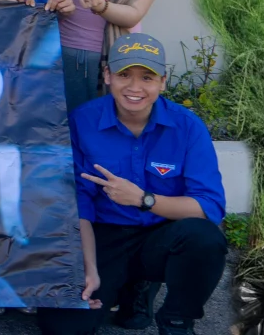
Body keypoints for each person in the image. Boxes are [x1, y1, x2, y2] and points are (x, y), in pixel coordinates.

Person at [41, 33, 228, 335]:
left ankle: (176, 320)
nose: (135, 87)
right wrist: (87, 267)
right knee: (63, 327)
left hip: (160, 234)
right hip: (104, 235)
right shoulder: (82, 121)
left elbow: (209, 207)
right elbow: (78, 204)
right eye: (124, 74)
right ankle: (124, 284)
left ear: (162, 82)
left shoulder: (187, 127)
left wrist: (144, 199)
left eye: (147, 77)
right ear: (107, 75)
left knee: (204, 239)